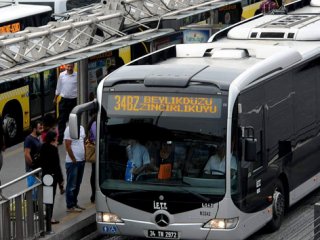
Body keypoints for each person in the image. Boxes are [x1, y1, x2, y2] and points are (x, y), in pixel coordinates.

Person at [39, 130, 64, 228]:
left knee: (46, 197)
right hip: (52, 176)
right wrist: (60, 180)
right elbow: (57, 166)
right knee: (51, 198)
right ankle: (49, 218)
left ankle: (47, 215)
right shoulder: (53, 149)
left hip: (45, 175)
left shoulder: (43, 147)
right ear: (54, 138)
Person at [54, 63, 78, 144]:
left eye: (71, 66)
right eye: (68, 66)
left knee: (73, 119)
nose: (69, 68)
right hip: (64, 101)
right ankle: (60, 139)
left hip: (74, 100)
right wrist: (55, 98)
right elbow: (58, 87)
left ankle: (74, 137)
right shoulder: (61, 75)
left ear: (73, 66)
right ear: (65, 66)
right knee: (61, 120)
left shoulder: (77, 75)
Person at [64, 124, 86, 212]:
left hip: (81, 161)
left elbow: (83, 142)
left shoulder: (81, 128)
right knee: (71, 185)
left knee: (77, 183)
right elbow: (67, 145)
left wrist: (85, 156)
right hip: (72, 162)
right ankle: (70, 205)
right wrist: (73, 159)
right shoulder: (69, 129)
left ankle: (74, 203)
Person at [24, 120, 43, 188]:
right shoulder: (28, 139)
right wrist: (33, 165)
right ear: (35, 129)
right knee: (32, 192)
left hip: (38, 170)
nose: (42, 130)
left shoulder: (38, 138)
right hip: (32, 171)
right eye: (40, 128)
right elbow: (26, 154)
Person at [87, 114, 97, 203]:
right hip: (96, 151)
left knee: (94, 173)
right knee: (94, 173)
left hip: (97, 150)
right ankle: (94, 194)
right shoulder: (94, 124)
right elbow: (96, 137)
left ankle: (94, 194)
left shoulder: (94, 123)